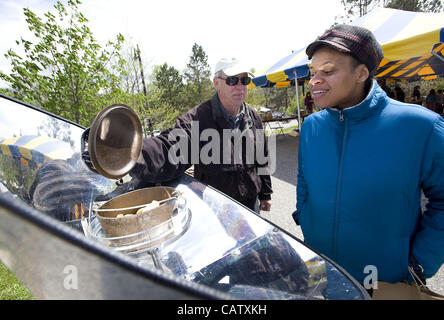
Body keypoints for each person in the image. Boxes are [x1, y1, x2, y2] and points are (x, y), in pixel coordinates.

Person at [293, 24, 444, 299]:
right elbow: (305, 182)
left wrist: (419, 264)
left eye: (327, 71)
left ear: (362, 73)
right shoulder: (312, 126)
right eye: (313, 73)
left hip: (384, 284)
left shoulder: (422, 126)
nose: (314, 81)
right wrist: (304, 218)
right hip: (321, 274)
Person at [128, 58, 273, 212]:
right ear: (216, 83)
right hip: (216, 212)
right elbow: (168, 147)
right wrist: (131, 152)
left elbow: (262, 157)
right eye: (232, 80)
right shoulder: (199, 118)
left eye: (244, 80)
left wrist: (265, 193)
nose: (240, 86)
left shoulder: (253, 116)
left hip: (251, 207)